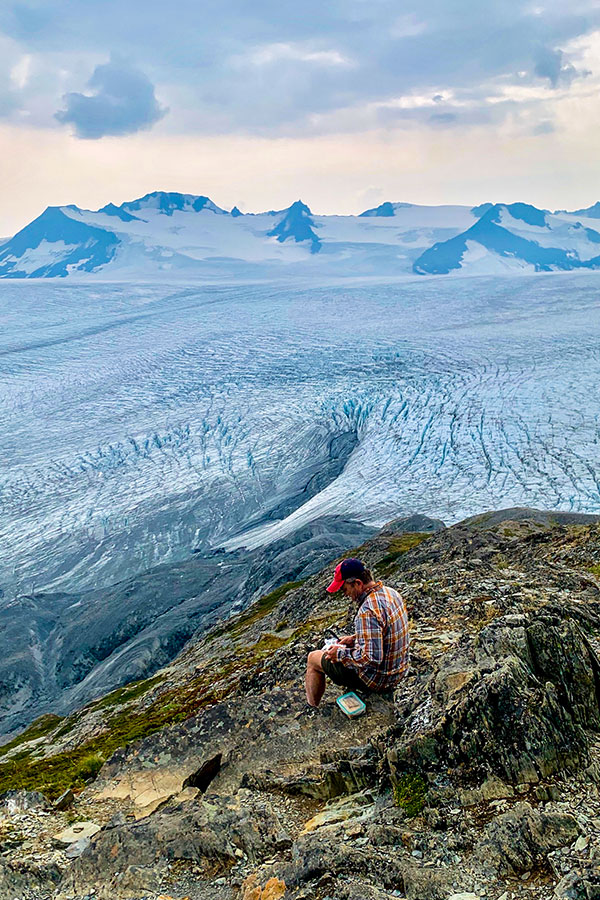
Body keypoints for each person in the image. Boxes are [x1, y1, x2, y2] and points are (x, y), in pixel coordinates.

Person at [305, 557, 409, 707]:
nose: (345, 594)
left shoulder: (367, 611)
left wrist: (339, 654)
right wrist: (355, 639)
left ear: (358, 583)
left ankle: (312, 708)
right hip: (399, 671)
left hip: (379, 680)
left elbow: (371, 659)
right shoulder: (390, 593)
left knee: (313, 659)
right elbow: (386, 630)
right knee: (342, 650)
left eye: (344, 589)